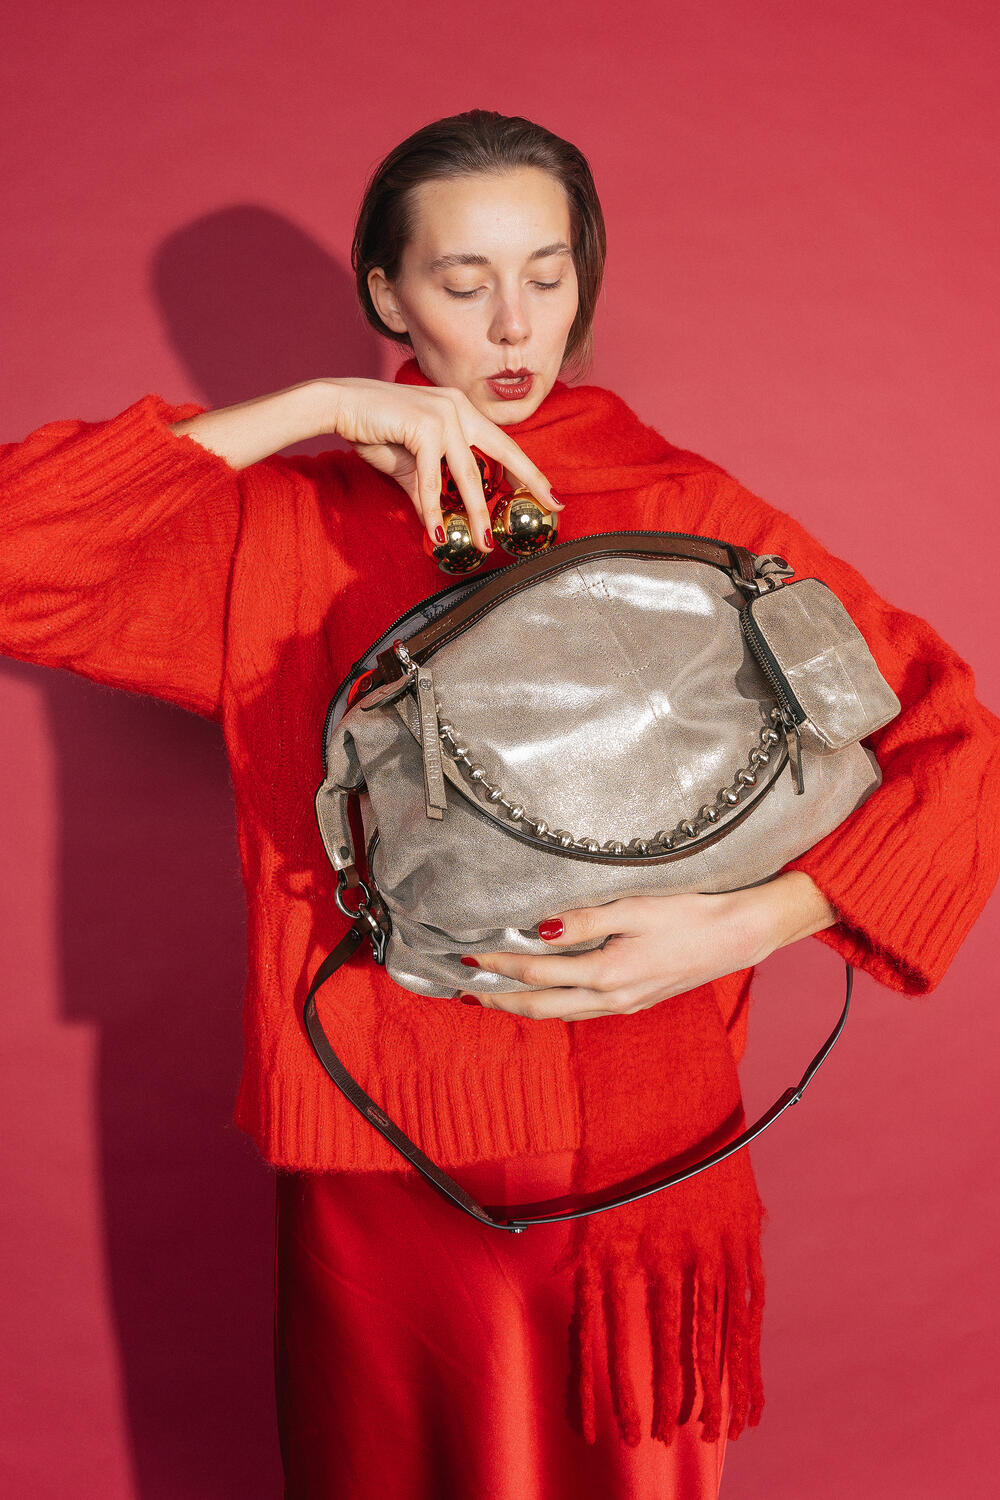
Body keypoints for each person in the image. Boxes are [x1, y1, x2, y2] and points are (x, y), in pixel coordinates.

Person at [2, 109, 998, 1500]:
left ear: (588, 280)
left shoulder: (692, 509)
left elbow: (961, 744)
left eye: (548, 273)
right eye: (463, 284)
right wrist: (314, 410)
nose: (515, 321)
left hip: (642, 1171)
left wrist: (754, 921)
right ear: (387, 296)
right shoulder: (283, 528)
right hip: (384, 1155)